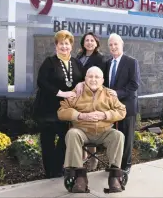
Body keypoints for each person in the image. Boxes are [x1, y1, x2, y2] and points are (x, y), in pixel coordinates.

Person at [58, 66, 126, 193]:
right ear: (85, 79)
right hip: (82, 131)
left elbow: (122, 111)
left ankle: (115, 177)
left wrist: (105, 115)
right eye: (90, 76)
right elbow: (61, 112)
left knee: (118, 135)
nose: (93, 79)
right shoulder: (76, 92)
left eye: (97, 77)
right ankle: (79, 177)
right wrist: (80, 115)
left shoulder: (109, 94)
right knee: (72, 133)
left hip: (104, 131)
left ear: (102, 80)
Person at [33, 30, 84, 178]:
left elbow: (83, 77)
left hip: (66, 109)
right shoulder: (49, 62)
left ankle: (57, 167)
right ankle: (50, 171)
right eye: (61, 43)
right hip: (48, 108)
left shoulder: (76, 62)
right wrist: (61, 93)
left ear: (71, 46)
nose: (64, 47)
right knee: (48, 141)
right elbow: (41, 82)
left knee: (65, 138)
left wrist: (81, 84)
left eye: (67, 44)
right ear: (56, 46)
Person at [104, 33, 140, 174]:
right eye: (111, 45)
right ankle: (114, 164)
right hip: (111, 108)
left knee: (126, 137)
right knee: (114, 138)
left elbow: (134, 84)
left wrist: (118, 93)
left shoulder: (131, 62)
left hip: (127, 106)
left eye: (116, 44)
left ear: (121, 45)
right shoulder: (107, 63)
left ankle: (125, 166)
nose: (113, 47)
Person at [76, 32, 106, 170]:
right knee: (80, 124)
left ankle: (93, 158)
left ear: (96, 43)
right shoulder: (79, 56)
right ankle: (82, 156)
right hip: (78, 95)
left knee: (90, 126)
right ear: (83, 42)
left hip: (91, 96)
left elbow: (99, 79)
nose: (89, 43)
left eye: (92, 40)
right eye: (87, 40)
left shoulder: (99, 58)